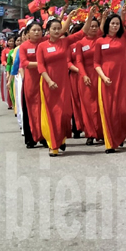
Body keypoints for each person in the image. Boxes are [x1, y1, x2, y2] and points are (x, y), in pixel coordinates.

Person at [94, 8, 126, 153]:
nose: (115, 26)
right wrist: (103, 77)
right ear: (107, 25)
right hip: (106, 79)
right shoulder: (100, 41)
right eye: (112, 24)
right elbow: (96, 63)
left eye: (117, 24)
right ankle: (110, 142)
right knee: (108, 110)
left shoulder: (123, 38)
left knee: (122, 110)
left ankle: (120, 135)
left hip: (121, 79)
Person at [36, 14, 86, 156]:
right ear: (49, 31)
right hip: (49, 83)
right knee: (53, 114)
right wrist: (49, 81)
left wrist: (89, 17)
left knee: (64, 114)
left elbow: (82, 33)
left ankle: (62, 138)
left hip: (63, 83)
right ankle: (53, 145)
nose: (57, 31)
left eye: (59, 28)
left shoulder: (65, 42)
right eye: (54, 29)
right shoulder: (42, 46)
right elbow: (40, 66)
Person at [76, 14, 103, 145]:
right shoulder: (80, 42)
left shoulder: (101, 40)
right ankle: (90, 133)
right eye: (91, 26)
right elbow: (79, 61)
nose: (93, 28)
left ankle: (102, 132)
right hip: (85, 77)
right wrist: (84, 75)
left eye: (95, 26)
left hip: (100, 74)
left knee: (100, 104)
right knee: (87, 106)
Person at [18, 21, 46, 148]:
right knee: (30, 109)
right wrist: (42, 64)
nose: (36, 32)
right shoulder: (24, 46)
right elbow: (25, 63)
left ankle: (45, 136)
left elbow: (61, 31)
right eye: (34, 30)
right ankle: (31, 138)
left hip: (45, 79)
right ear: (28, 33)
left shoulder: (46, 42)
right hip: (30, 81)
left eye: (39, 30)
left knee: (44, 108)